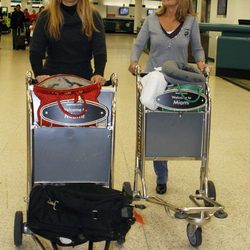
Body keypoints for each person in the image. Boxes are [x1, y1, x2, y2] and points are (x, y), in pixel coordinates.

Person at [128, 0, 208, 195]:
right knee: (156, 126)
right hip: (154, 80)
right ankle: (161, 175)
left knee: (176, 126)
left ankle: (184, 152)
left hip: (178, 81)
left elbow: (197, 49)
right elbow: (138, 44)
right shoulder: (151, 20)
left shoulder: (190, 22)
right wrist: (133, 62)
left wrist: (202, 64)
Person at [29, 0, 107, 84]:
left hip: (84, 78)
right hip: (51, 79)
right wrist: (39, 73)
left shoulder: (93, 16)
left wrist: (98, 73)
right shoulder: (46, 16)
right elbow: (36, 49)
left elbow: (100, 50)